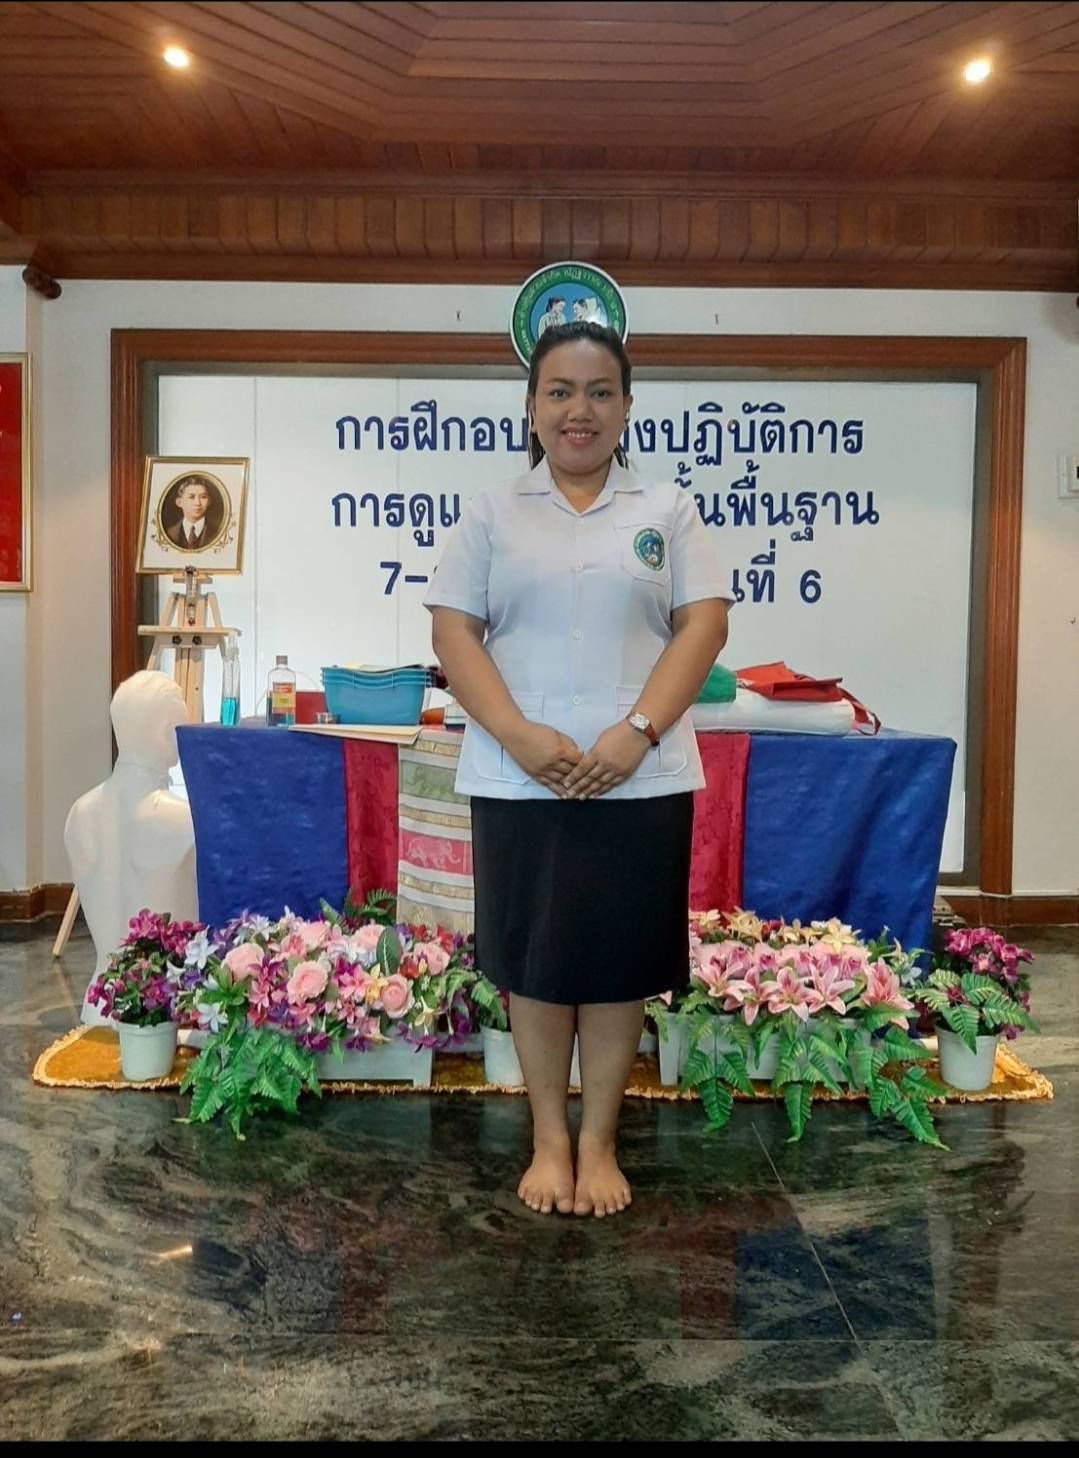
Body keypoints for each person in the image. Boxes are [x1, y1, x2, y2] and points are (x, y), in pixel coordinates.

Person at [424, 322, 733, 1219]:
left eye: (599, 392)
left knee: (616, 962)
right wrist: (518, 735)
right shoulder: (490, 513)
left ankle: (596, 1140)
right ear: (531, 407)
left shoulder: (667, 510)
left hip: (638, 775)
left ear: (626, 407)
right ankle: (547, 1139)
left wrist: (637, 731)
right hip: (520, 776)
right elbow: (453, 632)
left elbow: (704, 625)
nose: (578, 410)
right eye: (559, 391)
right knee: (534, 961)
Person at [164, 474, 224, 551]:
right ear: (179, 502)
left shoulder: (218, 532)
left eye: (203, 497)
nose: (198, 503)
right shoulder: (169, 533)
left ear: (209, 501)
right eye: (191, 497)